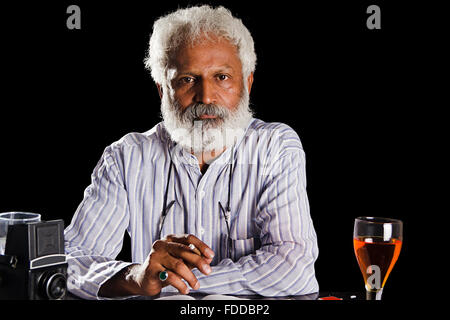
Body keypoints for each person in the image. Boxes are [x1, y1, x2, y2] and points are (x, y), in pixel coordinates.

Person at [64, 5, 319, 300]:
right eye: (187, 79)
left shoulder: (275, 148)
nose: (206, 96)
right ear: (163, 90)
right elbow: (70, 262)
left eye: (222, 77)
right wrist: (136, 276)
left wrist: (162, 281)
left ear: (247, 84)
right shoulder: (126, 158)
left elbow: (294, 267)